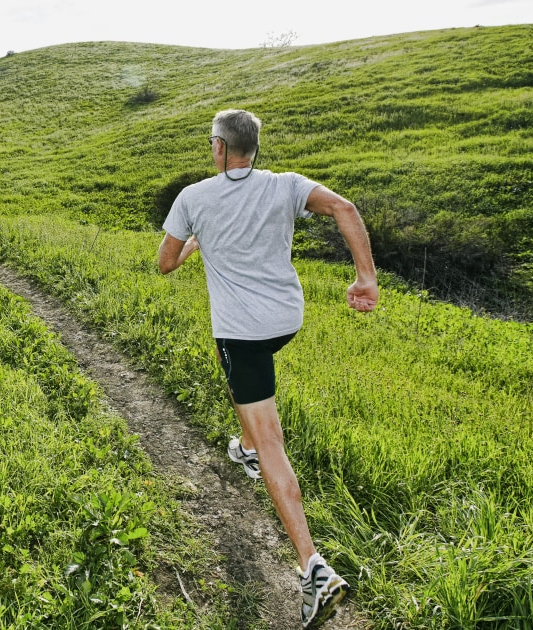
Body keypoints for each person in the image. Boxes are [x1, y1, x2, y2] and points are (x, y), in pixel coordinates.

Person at [157, 109, 378, 629]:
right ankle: (245, 446)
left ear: (218, 147)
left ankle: (313, 569)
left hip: (243, 332)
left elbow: (165, 263)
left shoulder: (194, 197)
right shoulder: (287, 185)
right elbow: (344, 208)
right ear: (253, 149)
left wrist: (194, 243)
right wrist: (365, 278)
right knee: (238, 376)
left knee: (269, 433)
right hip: (285, 321)